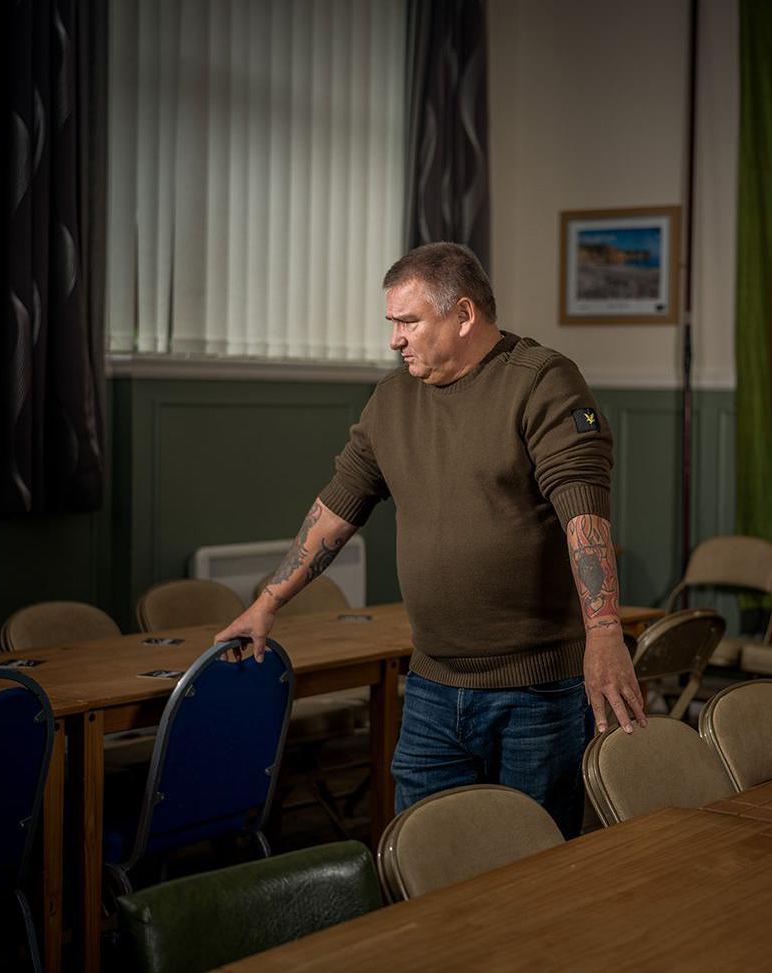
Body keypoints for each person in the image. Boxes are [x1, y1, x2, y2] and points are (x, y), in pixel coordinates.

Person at [215, 242, 645, 838]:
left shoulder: (542, 381)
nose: (395, 338)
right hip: (433, 689)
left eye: (409, 321)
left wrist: (603, 633)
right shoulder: (392, 400)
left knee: (534, 871)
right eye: (392, 321)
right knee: (424, 862)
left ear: (464, 315)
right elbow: (336, 510)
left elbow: (584, 515)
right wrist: (265, 605)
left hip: (537, 693)